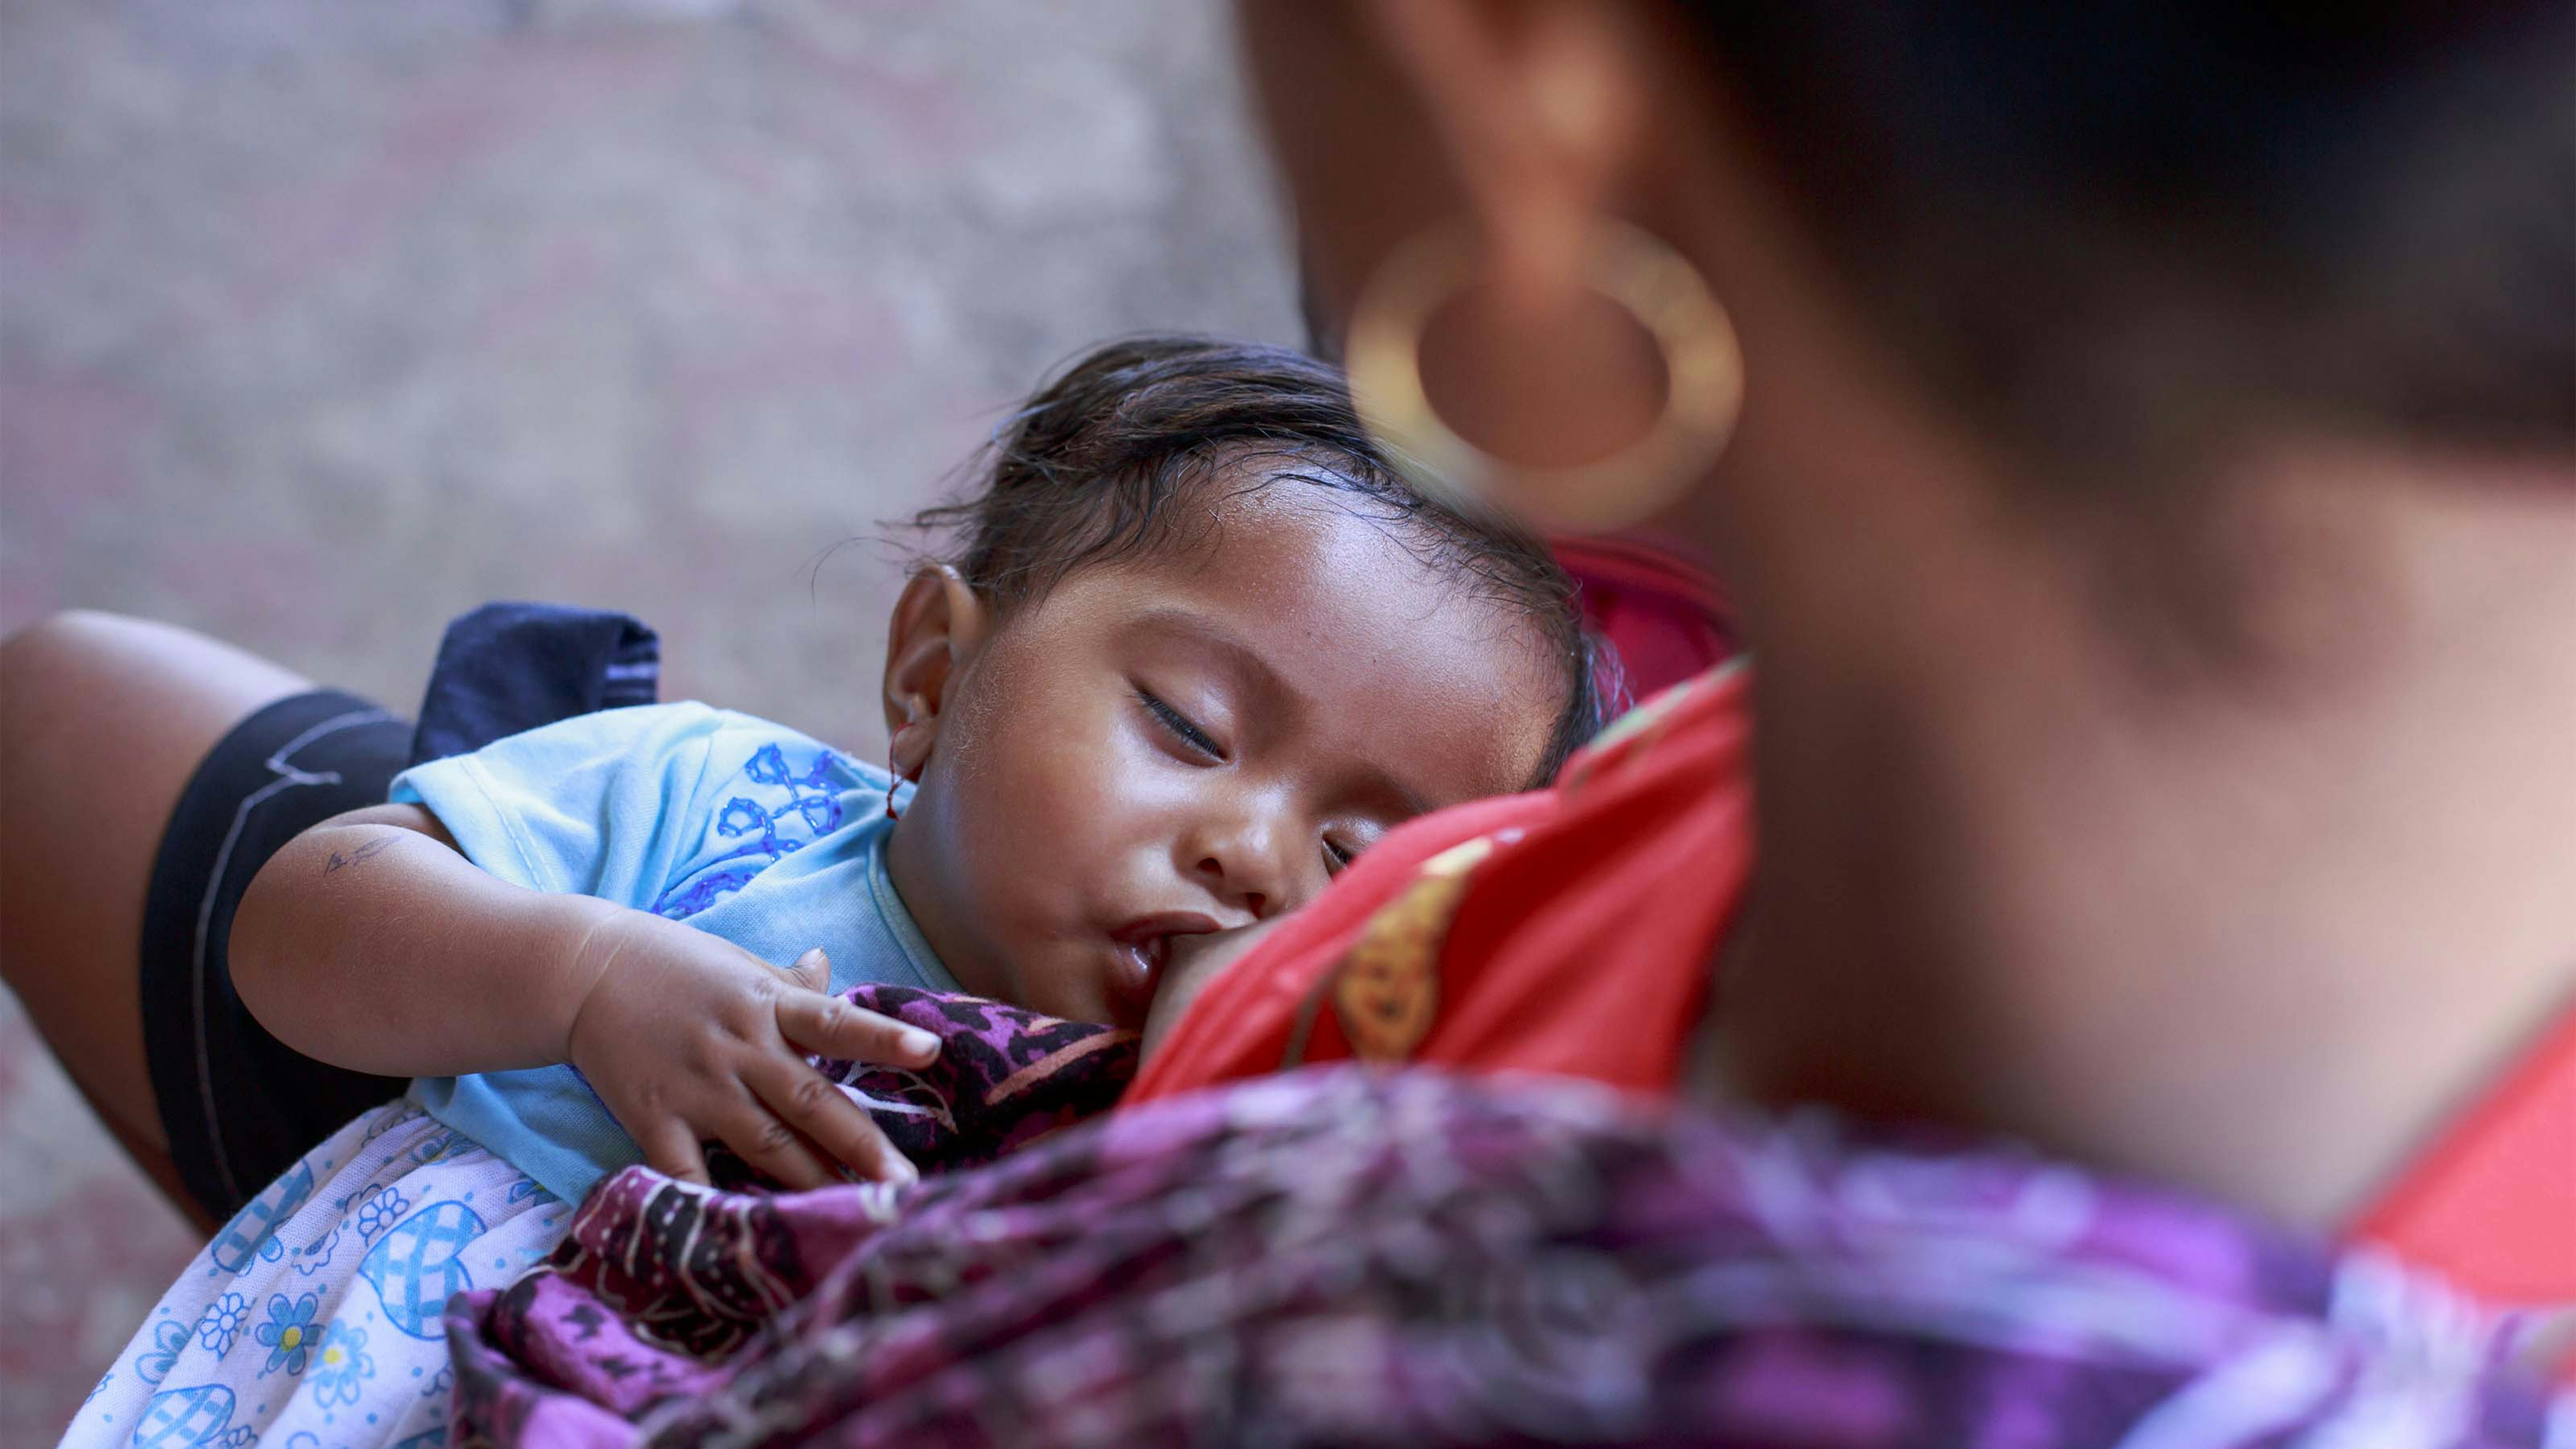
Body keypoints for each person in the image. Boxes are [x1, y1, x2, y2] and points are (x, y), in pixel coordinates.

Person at [443, 3, 2570, 1442]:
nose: (1260, 855)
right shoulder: (1748, 831)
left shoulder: (1287, 1310)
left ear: (1511, 97)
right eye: (1189, 719)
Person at [10, 335, 1608, 1447]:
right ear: (929, 671)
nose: (1253, 858)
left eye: (1351, 859)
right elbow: (299, 923)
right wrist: (573, 979)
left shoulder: (1255, 1129)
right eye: (1188, 727)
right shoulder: (722, 810)